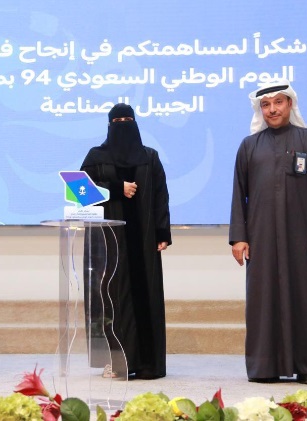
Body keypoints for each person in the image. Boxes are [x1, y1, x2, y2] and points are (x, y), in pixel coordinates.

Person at [228, 80, 307, 385]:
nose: (272, 109)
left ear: (290, 104)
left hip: (303, 238)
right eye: (266, 104)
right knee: (263, 302)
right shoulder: (249, 146)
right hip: (260, 238)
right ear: (260, 109)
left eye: (278, 102)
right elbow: (238, 193)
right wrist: (239, 237)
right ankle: (265, 367)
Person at [80, 103, 171, 379]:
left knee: (145, 298)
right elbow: (80, 192)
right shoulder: (96, 156)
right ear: (109, 126)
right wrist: (116, 189)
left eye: (127, 120)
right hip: (107, 242)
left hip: (143, 240)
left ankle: (147, 364)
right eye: (117, 121)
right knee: (111, 299)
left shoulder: (149, 157)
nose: (123, 125)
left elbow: (160, 195)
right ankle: (114, 361)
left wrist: (162, 233)